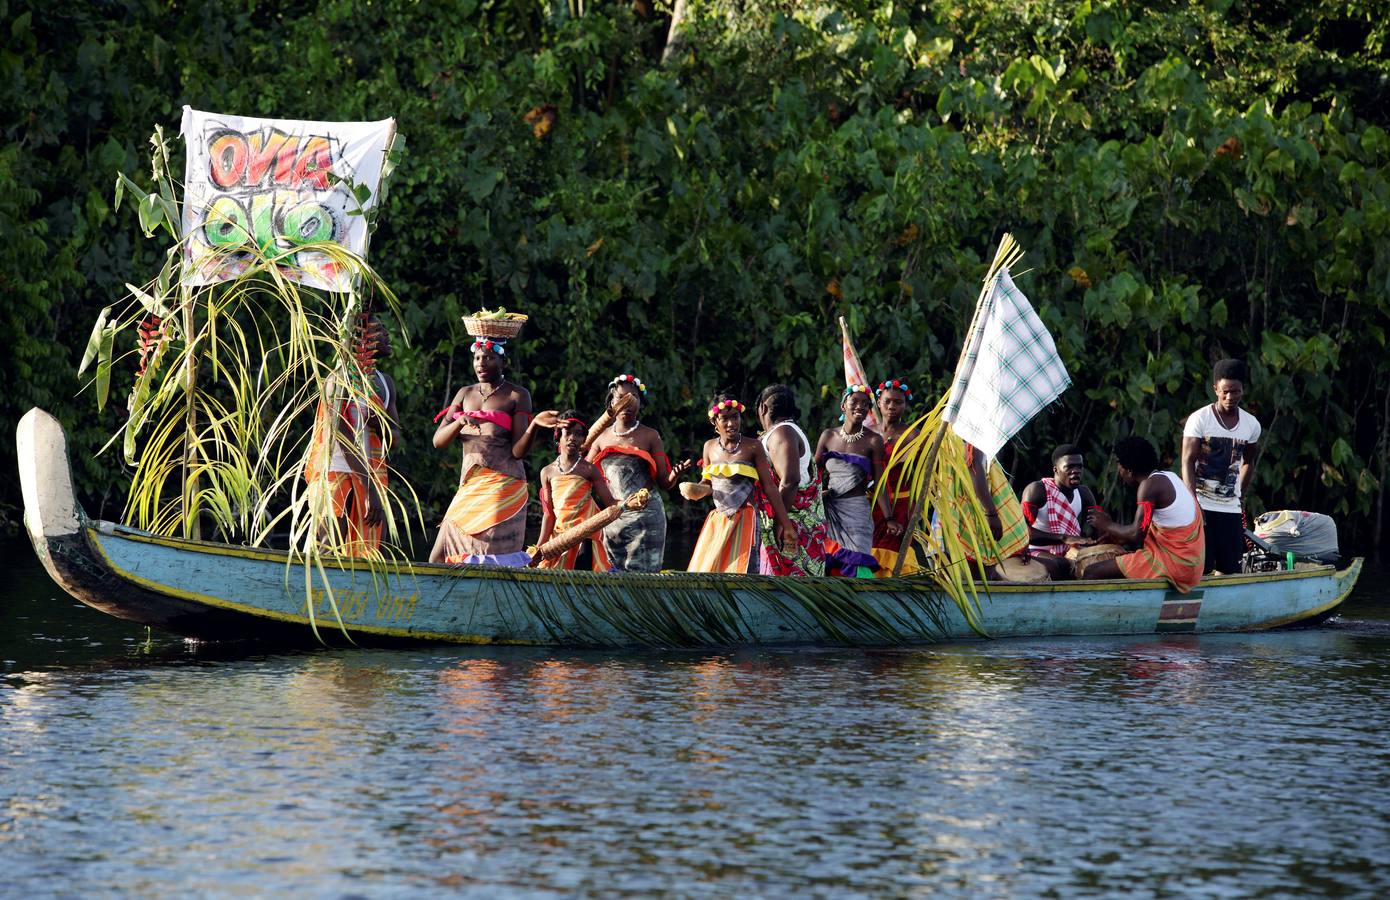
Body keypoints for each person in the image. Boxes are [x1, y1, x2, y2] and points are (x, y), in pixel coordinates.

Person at [430, 335, 558, 564]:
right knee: (438, 556)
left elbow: (519, 451)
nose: (481, 363)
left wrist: (535, 425)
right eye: (477, 357)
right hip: (470, 483)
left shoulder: (517, 395)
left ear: (503, 363)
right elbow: (438, 441)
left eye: (488, 357)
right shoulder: (465, 393)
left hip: (503, 483)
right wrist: (459, 422)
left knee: (488, 556)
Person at [303, 315, 399, 557]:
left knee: (370, 551)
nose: (387, 335)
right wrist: (370, 490)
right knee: (329, 547)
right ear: (360, 339)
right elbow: (341, 437)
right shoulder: (338, 380)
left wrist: (380, 425)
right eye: (379, 330)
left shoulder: (384, 383)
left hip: (374, 472)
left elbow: (395, 438)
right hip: (337, 470)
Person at [587, 374, 694, 572]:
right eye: (620, 397)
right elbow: (584, 474)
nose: (627, 402)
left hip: (647, 519)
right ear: (611, 402)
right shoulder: (600, 437)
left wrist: (674, 475)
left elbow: (663, 482)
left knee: (643, 581)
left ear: (641, 403)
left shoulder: (650, 435)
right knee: (611, 579)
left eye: (633, 397)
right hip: (613, 516)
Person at [685, 394, 795, 573]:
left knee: (743, 572)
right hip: (719, 519)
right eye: (724, 419)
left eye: (735, 417)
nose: (731, 424)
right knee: (709, 571)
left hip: (747, 518)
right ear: (715, 422)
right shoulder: (709, 447)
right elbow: (707, 483)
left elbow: (769, 487)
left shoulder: (752, 447)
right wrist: (696, 490)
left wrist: (787, 525)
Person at [1084, 436, 1206, 591]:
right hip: (1191, 566)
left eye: (1119, 465)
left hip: (1175, 565)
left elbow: (1136, 534)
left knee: (1091, 572)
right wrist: (1118, 536)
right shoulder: (1170, 476)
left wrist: (1107, 524)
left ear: (1129, 470)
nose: (1119, 471)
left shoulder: (1148, 487)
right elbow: (1150, 528)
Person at [1182, 358, 1261, 574]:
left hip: (1230, 507)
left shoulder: (1251, 425)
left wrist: (1239, 495)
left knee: (1231, 568)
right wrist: (1193, 504)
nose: (1229, 397)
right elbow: (1187, 461)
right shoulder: (1200, 419)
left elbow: (1248, 462)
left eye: (1235, 392)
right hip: (1201, 504)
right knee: (1203, 567)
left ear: (1242, 390)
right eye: (1225, 391)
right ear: (1215, 389)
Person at [815, 384, 892, 577]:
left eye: (865, 404)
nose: (860, 407)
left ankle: (863, 606)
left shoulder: (874, 440)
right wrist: (815, 497)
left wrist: (889, 518)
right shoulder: (828, 436)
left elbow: (880, 483)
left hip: (857, 512)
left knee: (858, 562)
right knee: (829, 559)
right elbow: (814, 474)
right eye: (854, 402)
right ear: (843, 406)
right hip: (830, 510)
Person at [756, 384, 829, 576]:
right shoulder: (788, 430)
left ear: (763, 408)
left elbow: (790, 480)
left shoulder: (782, 432)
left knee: (788, 589)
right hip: (790, 518)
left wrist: (781, 523)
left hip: (791, 520)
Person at [536, 411, 616, 571]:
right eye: (568, 433)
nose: (572, 437)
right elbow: (549, 514)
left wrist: (630, 503)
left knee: (583, 577)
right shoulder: (547, 472)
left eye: (578, 434)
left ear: (584, 440)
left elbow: (611, 504)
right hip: (560, 538)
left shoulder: (589, 469)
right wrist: (540, 546)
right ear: (558, 435)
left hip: (584, 536)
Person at [1021, 443, 1102, 580]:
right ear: (1056, 470)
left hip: (1070, 550)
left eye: (1079, 466)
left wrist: (1094, 541)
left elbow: (1098, 529)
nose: (1076, 471)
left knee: (1095, 564)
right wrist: (1064, 538)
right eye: (1069, 467)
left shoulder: (1084, 493)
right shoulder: (1037, 490)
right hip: (1036, 550)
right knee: (1061, 565)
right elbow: (1021, 532)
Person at [870, 378, 915, 575]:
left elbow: (924, 472)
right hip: (871, 504)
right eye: (887, 401)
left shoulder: (912, 435)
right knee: (868, 548)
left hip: (900, 505)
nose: (891, 406)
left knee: (893, 551)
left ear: (905, 405)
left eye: (898, 402)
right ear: (879, 402)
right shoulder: (868, 432)